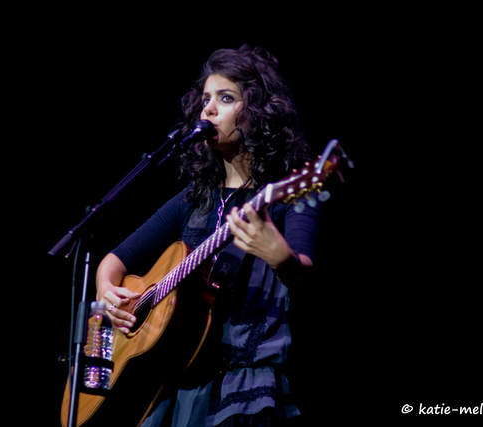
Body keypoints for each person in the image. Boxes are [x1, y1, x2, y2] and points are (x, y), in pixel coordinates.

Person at [95, 45, 321, 427]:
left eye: (226, 98)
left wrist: (280, 259)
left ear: (259, 113)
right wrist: (106, 292)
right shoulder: (192, 199)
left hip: (244, 385)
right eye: (205, 99)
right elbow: (113, 261)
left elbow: (305, 275)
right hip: (177, 385)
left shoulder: (289, 192)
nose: (208, 110)